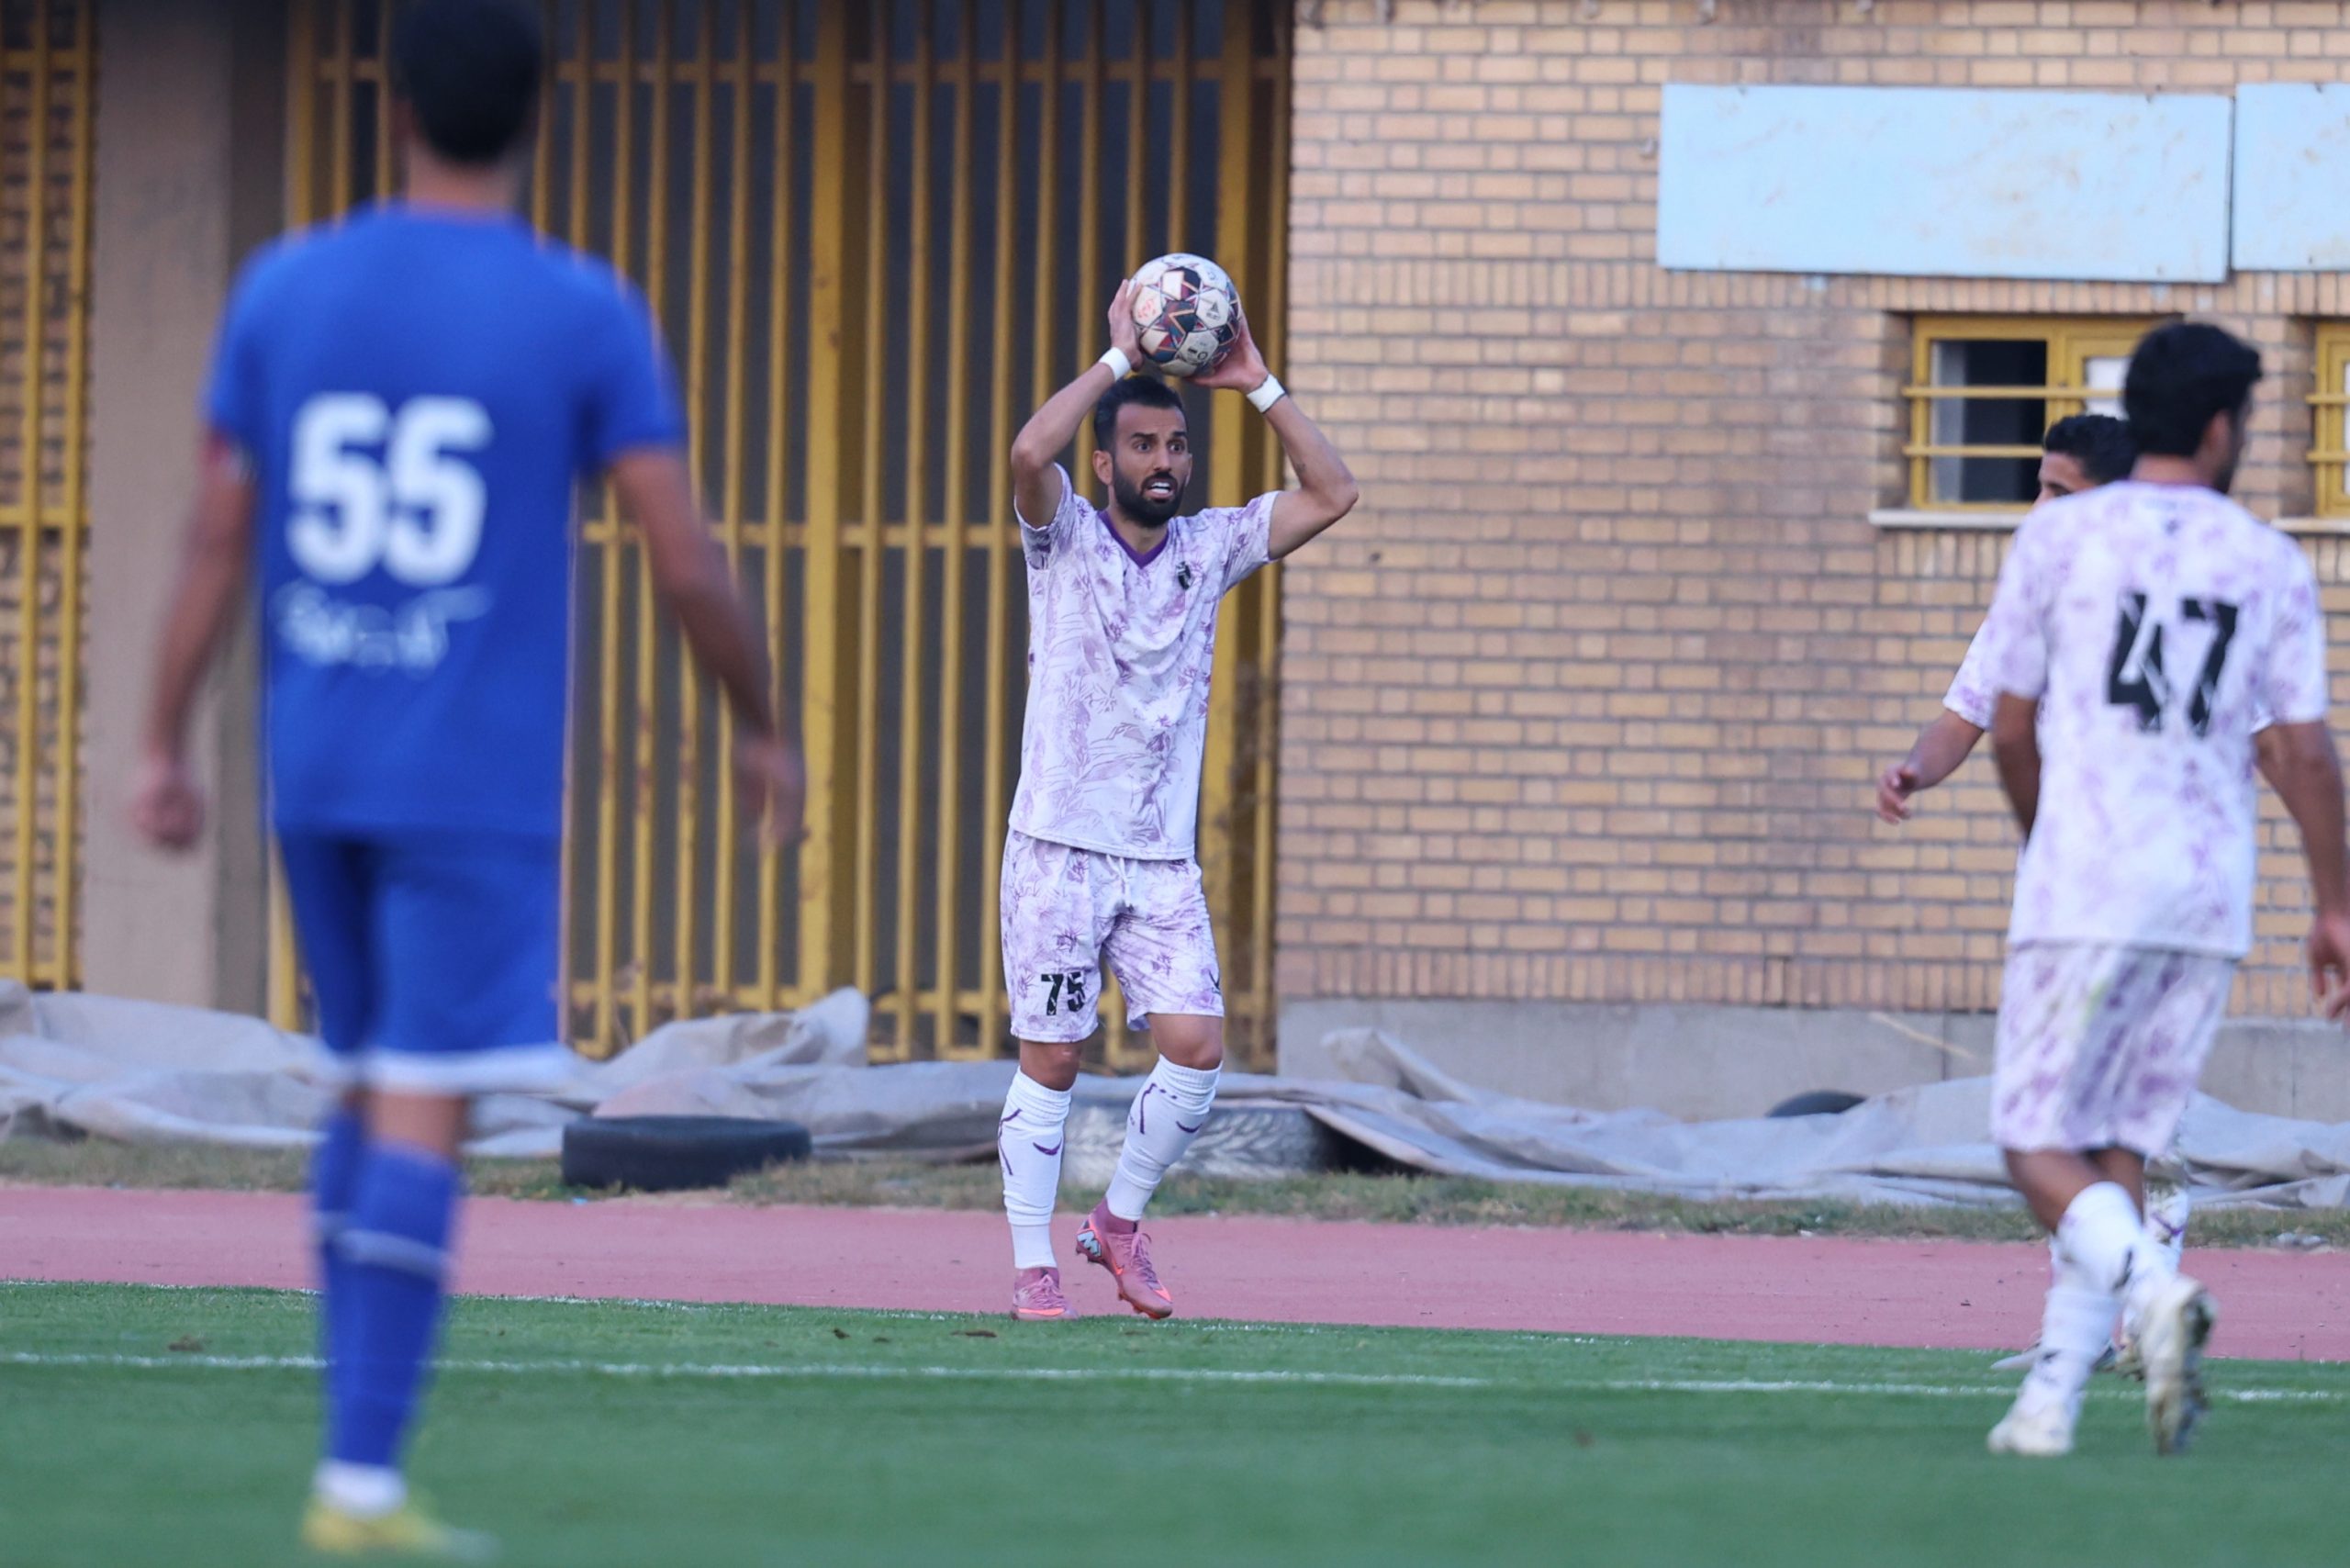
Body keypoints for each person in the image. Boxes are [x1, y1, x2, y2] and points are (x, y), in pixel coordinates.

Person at [130, 1, 803, 1552]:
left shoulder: (283, 285)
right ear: (537, 120)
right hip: (463, 780)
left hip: (316, 760)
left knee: (368, 1085)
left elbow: (216, 531)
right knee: (422, 1105)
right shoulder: (580, 309)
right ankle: (360, 1483)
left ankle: (347, 1451)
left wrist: (163, 739)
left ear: (396, 112)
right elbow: (682, 555)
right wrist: (758, 719)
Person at [1972, 322, 2350, 1458]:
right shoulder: (2267, 559)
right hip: (2203, 894)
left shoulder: (2060, 538)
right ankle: (2050, 1401)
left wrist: (2045, 838)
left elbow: (2009, 727)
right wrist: (2334, 903)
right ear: (2225, 425)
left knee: (2033, 1139)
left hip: (2088, 876)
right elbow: (2302, 751)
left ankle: (2149, 1290)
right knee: (2120, 1141)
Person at [996, 284, 1358, 1322]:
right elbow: (1028, 453)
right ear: (1106, 463)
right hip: (1057, 846)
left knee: (1197, 1050)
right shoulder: (1062, 536)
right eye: (1142, 446)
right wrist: (1117, 359)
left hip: (1158, 859)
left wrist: (1258, 383)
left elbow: (1334, 493)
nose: (1163, 461)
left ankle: (1116, 1223)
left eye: (1176, 446)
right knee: (1053, 1058)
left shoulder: (1210, 547)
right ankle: (1033, 1267)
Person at [1875, 413, 2138, 826]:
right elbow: (1958, 723)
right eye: (2041, 489)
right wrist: (1915, 771)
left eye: (2061, 494)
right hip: (2056, 859)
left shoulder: (2166, 611)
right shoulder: (2026, 609)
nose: (2039, 509)